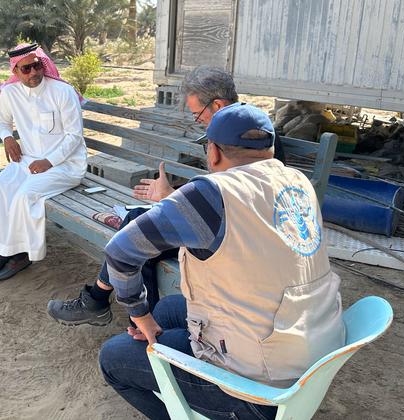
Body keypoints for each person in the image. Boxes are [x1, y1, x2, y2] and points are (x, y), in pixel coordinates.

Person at [96, 103, 345, 419]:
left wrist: (140, 316)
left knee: (113, 357)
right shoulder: (298, 181)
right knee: (169, 309)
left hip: (262, 388)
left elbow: (120, 251)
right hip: (311, 353)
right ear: (269, 149)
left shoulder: (212, 193)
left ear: (212, 152)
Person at [48, 65, 286, 326]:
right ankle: (111, 306)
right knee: (139, 225)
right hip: (225, 226)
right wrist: (175, 199)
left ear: (217, 106)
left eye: (198, 116)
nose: (200, 124)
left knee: (139, 236)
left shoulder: (241, 141)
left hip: (232, 240)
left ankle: (119, 312)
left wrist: (171, 196)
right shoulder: (257, 128)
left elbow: (231, 205)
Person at [0, 43, 87, 283]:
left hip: (66, 165)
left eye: (37, 66)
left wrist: (50, 161)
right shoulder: (10, 93)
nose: (34, 72)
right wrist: (7, 138)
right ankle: (4, 250)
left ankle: (22, 254)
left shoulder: (62, 92)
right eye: (26, 69)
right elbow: (2, 121)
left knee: (25, 196)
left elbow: (75, 136)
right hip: (28, 161)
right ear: (15, 71)